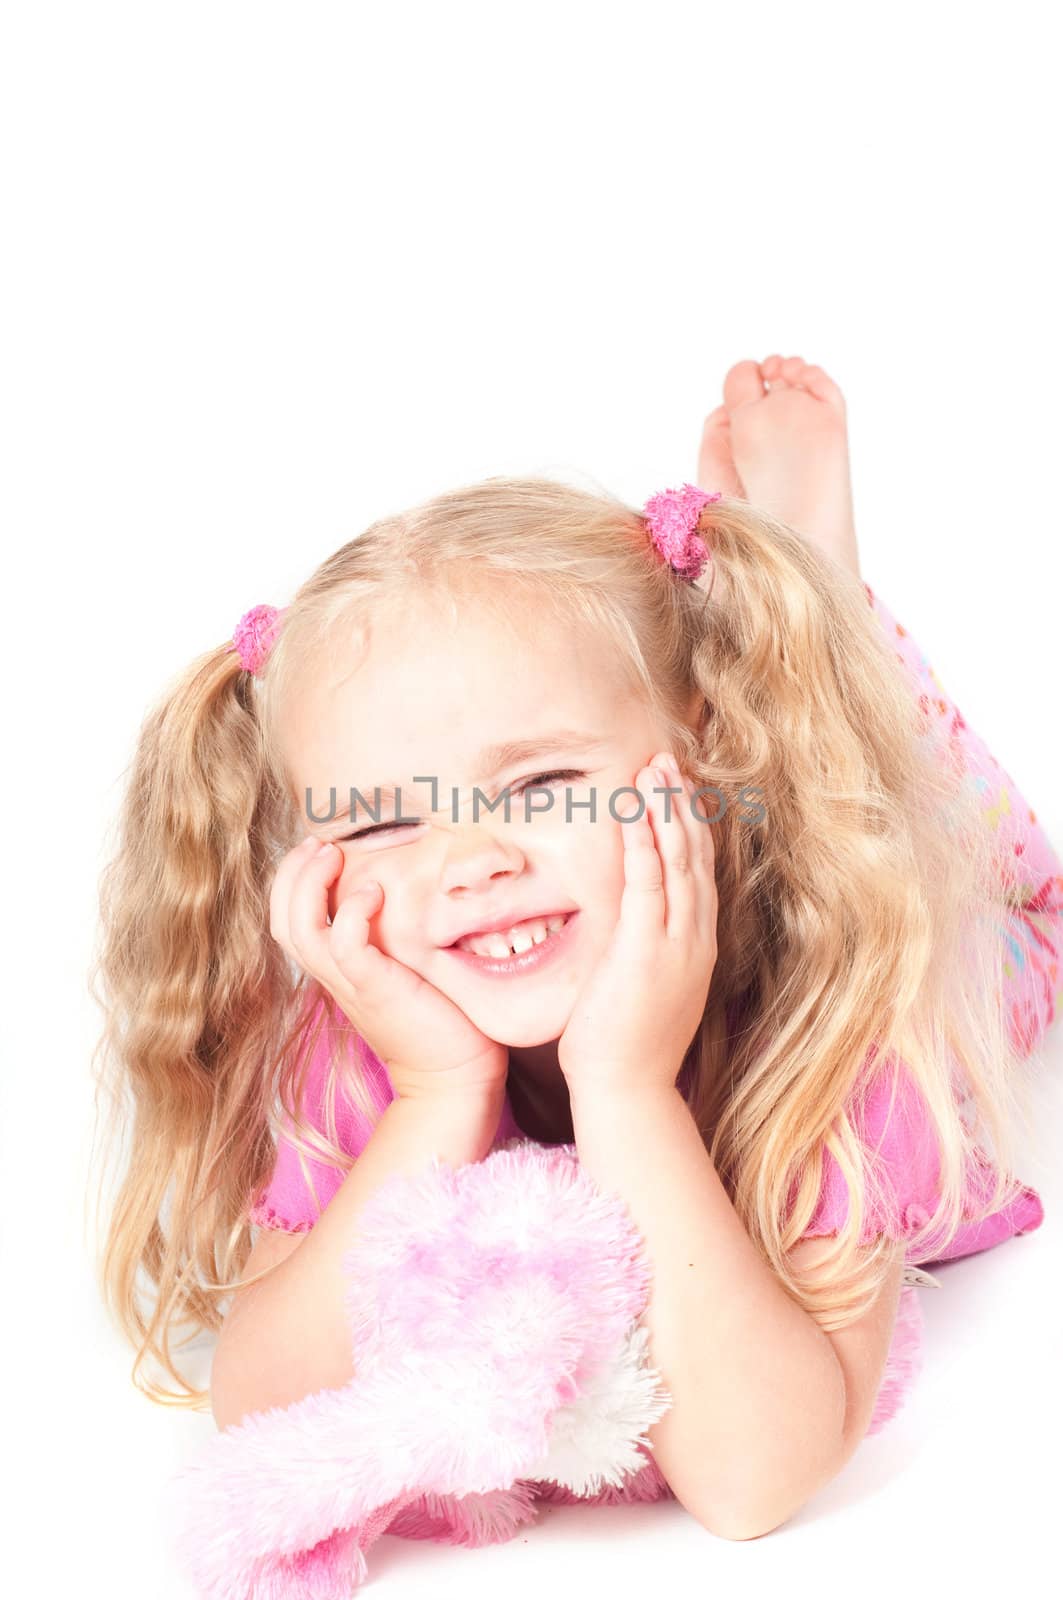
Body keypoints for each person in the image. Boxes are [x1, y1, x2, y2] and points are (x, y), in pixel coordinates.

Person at [91, 354, 1060, 1535]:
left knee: (977, 885)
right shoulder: (350, 1042)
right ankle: (804, 616)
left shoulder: (837, 1003)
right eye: (386, 817)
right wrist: (435, 1094)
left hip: (896, 928)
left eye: (544, 782)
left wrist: (626, 1086)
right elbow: (263, 1407)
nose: (470, 861)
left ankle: (822, 592)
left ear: (699, 761)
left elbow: (752, 1483)